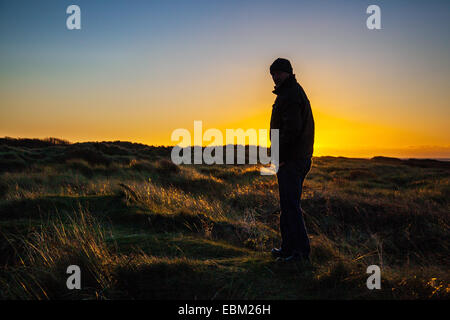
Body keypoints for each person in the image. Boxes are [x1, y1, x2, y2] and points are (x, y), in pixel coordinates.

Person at [269, 58, 315, 262]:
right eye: (272, 74)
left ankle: (300, 253)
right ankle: (288, 248)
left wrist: (282, 157)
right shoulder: (290, 92)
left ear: (288, 73)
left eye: (278, 73)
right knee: (287, 205)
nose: (275, 77)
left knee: (291, 205)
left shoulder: (290, 94)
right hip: (294, 158)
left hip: (292, 160)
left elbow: (292, 130)